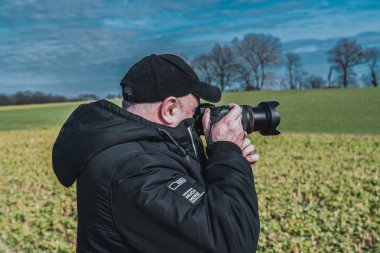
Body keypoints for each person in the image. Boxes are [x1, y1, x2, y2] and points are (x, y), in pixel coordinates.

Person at [52, 54, 260, 253]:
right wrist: (226, 152)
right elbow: (233, 242)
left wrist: (226, 163)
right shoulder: (132, 170)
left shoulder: (135, 148)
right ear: (169, 109)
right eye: (194, 112)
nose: (197, 120)